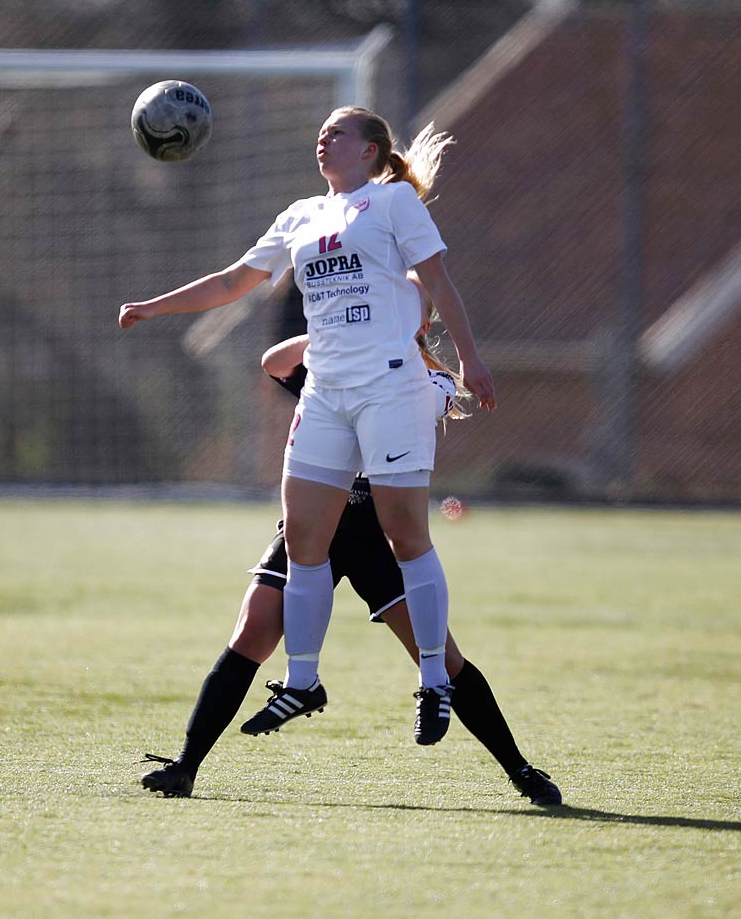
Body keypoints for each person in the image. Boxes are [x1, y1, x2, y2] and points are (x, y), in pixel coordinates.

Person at [120, 107, 494, 745]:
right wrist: (156, 307)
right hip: (326, 392)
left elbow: (439, 281)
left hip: (390, 386)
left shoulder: (394, 202)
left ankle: (435, 678)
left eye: (339, 132)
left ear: (372, 151)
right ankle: (302, 681)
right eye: (319, 130)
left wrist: (470, 358)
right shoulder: (300, 215)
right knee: (303, 544)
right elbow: (236, 281)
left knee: (406, 536)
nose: (324, 137)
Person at [139, 330, 560, 806]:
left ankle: (521, 770)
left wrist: (394, 351)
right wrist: (334, 327)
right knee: (251, 633)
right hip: (313, 524)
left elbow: (424, 403)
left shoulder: (429, 378)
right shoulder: (333, 359)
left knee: (442, 657)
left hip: (372, 534)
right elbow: (274, 362)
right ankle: (185, 767)